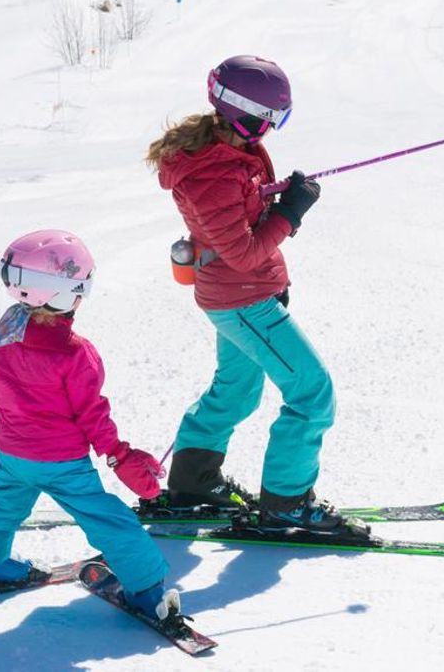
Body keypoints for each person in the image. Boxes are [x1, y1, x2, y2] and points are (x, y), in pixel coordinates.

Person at [146, 55, 347, 533]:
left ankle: (194, 482)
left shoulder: (230, 152)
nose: (272, 130)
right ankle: (287, 503)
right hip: (242, 297)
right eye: (271, 119)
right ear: (244, 113)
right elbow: (243, 252)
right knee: (313, 394)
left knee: (236, 392)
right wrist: (291, 214)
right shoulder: (212, 173)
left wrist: (274, 197)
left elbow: (240, 223)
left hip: (240, 294)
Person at [0, 229, 177, 620]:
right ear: (58, 293)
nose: (80, 299)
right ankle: (145, 589)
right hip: (63, 463)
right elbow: (92, 414)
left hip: (14, 455)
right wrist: (118, 455)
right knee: (105, 518)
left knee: (0, 507)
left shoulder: (4, 337)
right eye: (79, 290)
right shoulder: (75, 354)